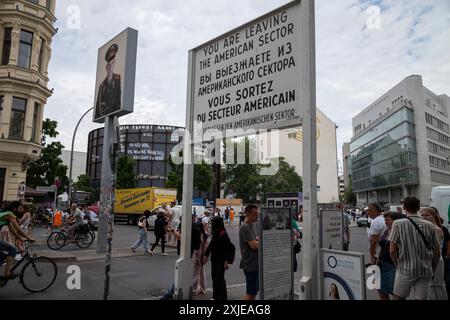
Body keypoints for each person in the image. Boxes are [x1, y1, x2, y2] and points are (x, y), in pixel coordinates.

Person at [388, 197, 440, 300]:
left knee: (398, 297)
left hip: (405, 269)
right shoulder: (430, 225)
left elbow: (392, 250)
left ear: (404, 207)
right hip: (424, 269)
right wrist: (432, 269)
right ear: (418, 208)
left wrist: (397, 265)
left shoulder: (398, 224)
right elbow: (437, 252)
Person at [420, 208, 448, 300]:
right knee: (429, 286)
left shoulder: (436, 229)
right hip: (430, 260)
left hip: (435, 260)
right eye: (422, 215)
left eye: (426, 215)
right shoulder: (428, 228)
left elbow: (435, 250)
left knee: (433, 285)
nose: (424, 217)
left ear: (434, 216)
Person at [204, 216, 233, 300]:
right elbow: (211, 245)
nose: (212, 224)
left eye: (213, 222)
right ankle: (215, 296)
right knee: (214, 277)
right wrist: (206, 255)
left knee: (219, 278)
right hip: (214, 258)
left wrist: (226, 262)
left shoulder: (223, 234)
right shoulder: (215, 233)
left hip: (221, 259)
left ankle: (223, 297)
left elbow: (227, 249)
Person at [377, 212, 402, 300]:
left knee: (396, 292)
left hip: (392, 265)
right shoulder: (387, 230)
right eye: (385, 220)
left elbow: (394, 250)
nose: (386, 222)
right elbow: (381, 247)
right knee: (381, 290)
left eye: (388, 220)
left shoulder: (399, 231)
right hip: (381, 264)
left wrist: (396, 264)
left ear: (396, 221)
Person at [95, 43, 121, 119]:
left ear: (114, 64)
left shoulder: (118, 79)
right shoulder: (101, 86)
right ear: (106, 67)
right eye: (109, 65)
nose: (110, 67)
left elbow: (118, 102)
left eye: (112, 64)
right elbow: (97, 109)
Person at [239, 205, 260, 300]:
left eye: (257, 214)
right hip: (250, 264)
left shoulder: (254, 225)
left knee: (254, 292)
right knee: (250, 293)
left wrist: (258, 240)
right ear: (248, 214)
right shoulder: (245, 227)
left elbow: (257, 239)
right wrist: (263, 241)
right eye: (255, 214)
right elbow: (254, 245)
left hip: (255, 264)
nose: (257, 216)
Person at [192, 214, 208, 296]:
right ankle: (202, 288)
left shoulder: (198, 235)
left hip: (198, 256)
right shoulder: (205, 235)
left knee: (196, 273)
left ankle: (195, 289)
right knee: (201, 273)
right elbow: (206, 246)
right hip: (203, 256)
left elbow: (197, 248)